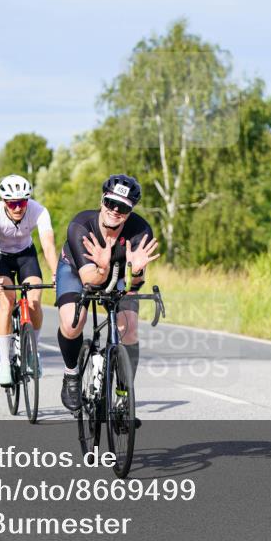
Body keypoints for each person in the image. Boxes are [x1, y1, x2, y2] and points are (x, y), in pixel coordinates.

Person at [55, 174, 160, 414]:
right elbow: (90, 280)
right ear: (102, 200)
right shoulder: (81, 225)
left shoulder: (140, 231)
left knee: (129, 328)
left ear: (131, 210)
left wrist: (137, 270)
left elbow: (136, 283)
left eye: (122, 208)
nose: (114, 210)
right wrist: (103, 267)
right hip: (77, 270)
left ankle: (123, 395)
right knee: (73, 323)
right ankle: (71, 375)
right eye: (110, 203)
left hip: (118, 273)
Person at [0, 175, 58, 386]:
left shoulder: (38, 210)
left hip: (26, 256)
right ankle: (5, 363)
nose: (17, 208)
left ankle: (33, 352)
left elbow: (48, 246)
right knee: (7, 302)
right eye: (12, 203)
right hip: (1, 257)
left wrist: (55, 272)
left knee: (34, 301)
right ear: (4, 202)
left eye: (22, 202)